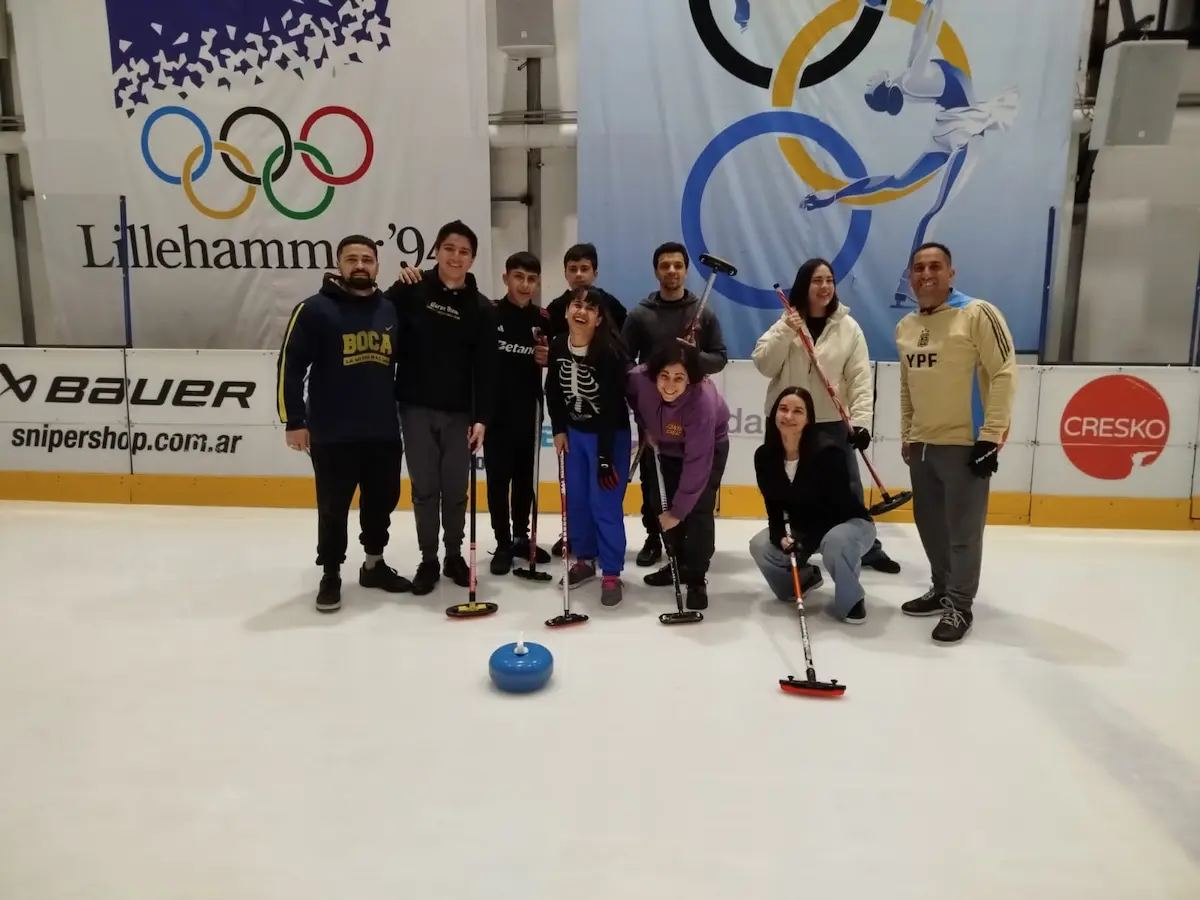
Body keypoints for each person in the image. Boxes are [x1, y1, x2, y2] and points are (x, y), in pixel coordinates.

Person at [277, 235, 412, 613]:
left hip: (383, 430)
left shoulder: (389, 310)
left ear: (377, 266)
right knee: (333, 508)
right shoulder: (314, 310)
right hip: (332, 433)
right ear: (339, 264)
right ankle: (332, 573)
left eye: (367, 259)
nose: (360, 266)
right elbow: (290, 366)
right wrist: (294, 420)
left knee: (382, 502)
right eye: (351, 259)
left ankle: (373, 565)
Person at [896, 242, 1017, 643]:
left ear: (951, 274)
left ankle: (960, 606)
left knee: (963, 532)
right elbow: (907, 386)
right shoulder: (906, 326)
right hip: (923, 445)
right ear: (910, 277)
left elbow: (1003, 373)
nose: (926, 274)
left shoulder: (977, 314)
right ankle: (941, 588)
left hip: (966, 444)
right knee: (930, 526)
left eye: (935, 267)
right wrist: (908, 433)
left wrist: (991, 435)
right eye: (918, 268)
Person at [751, 257, 900, 575]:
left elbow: (860, 379)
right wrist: (784, 331)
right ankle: (796, 541)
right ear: (804, 286)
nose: (824, 287)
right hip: (788, 421)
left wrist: (860, 423)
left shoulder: (848, 328)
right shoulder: (786, 323)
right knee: (787, 484)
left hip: (831, 421)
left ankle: (868, 547)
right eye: (817, 280)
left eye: (829, 280)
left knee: (847, 487)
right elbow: (763, 364)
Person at [385, 220, 495, 595]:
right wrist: (398, 281)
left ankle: (453, 555)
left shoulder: (481, 308)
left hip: (460, 414)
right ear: (436, 250)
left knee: (454, 490)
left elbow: (485, 368)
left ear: (472, 259)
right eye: (449, 248)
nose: (455, 257)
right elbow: (378, 318)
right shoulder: (410, 290)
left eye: (464, 251)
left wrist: (481, 418)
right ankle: (428, 559)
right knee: (425, 489)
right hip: (414, 408)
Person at [622, 241, 728, 577]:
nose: (671, 271)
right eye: (665, 265)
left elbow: (720, 357)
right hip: (655, 413)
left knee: (694, 497)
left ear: (685, 270)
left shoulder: (702, 313)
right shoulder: (640, 315)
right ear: (656, 271)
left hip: (691, 410)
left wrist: (693, 359)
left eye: (677, 265)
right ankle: (657, 539)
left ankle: (693, 569)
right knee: (655, 489)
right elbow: (626, 362)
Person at [748, 387, 877, 623]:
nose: (788, 416)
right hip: (804, 528)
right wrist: (780, 536)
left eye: (798, 411)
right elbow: (774, 507)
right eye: (783, 409)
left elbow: (837, 510)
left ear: (809, 419)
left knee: (836, 542)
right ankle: (803, 579)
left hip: (847, 523)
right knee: (760, 545)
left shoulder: (828, 453)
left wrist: (805, 542)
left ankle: (852, 599)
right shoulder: (765, 456)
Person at [544, 287, 632, 608]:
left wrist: (606, 457)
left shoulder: (609, 353)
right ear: (567, 310)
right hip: (575, 436)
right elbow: (552, 390)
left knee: (604, 504)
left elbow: (611, 408)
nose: (581, 312)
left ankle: (611, 571)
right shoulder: (557, 346)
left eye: (590, 309)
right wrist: (559, 429)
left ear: (598, 319)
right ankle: (585, 559)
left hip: (608, 437)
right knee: (578, 501)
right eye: (577, 305)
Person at [626, 340, 729, 611]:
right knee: (659, 504)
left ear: (690, 379)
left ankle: (696, 578)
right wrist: (643, 424)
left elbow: (697, 462)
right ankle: (676, 564)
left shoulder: (701, 402)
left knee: (696, 510)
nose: (669, 385)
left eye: (679, 378)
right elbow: (634, 400)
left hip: (706, 447)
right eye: (664, 376)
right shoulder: (639, 379)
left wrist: (679, 511)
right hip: (663, 445)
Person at [485, 251, 552, 574]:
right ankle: (501, 543)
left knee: (526, 480)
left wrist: (547, 359)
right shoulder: (490, 313)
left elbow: (555, 357)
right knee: (499, 480)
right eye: (519, 277)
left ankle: (520, 537)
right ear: (506, 278)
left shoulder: (544, 319)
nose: (525, 285)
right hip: (496, 413)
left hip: (530, 410)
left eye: (531, 279)